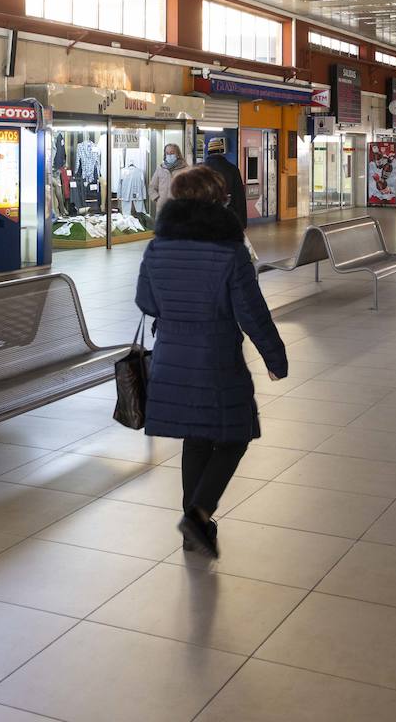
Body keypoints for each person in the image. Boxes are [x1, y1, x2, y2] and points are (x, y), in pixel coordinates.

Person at [135, 165, 287, 559]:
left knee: (196, 436)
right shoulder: (229, 250)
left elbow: (147, 303)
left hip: (171, 353)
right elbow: (251, 311)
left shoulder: (157, 246)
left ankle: (193, 528)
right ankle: (198, 515)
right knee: (235, 434)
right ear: (217, 200)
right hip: (215, 355)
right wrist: (275, 356)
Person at [203, 137, 248, 229]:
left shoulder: (198, 170)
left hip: (203, 217)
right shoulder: (232, 169)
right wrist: (242, 222)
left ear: (208, 151)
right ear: (222, 151)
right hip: (227, 216)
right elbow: (239, 197)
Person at [148, 143, 187, 213]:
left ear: (178, 154)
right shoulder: (160, 168)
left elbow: (191, 188)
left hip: (180, 208)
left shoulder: (185, 169)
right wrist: (157, 199)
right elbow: (152, 187)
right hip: (162, 207)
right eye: (167, 153)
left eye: (172, 153)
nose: (169, 155)